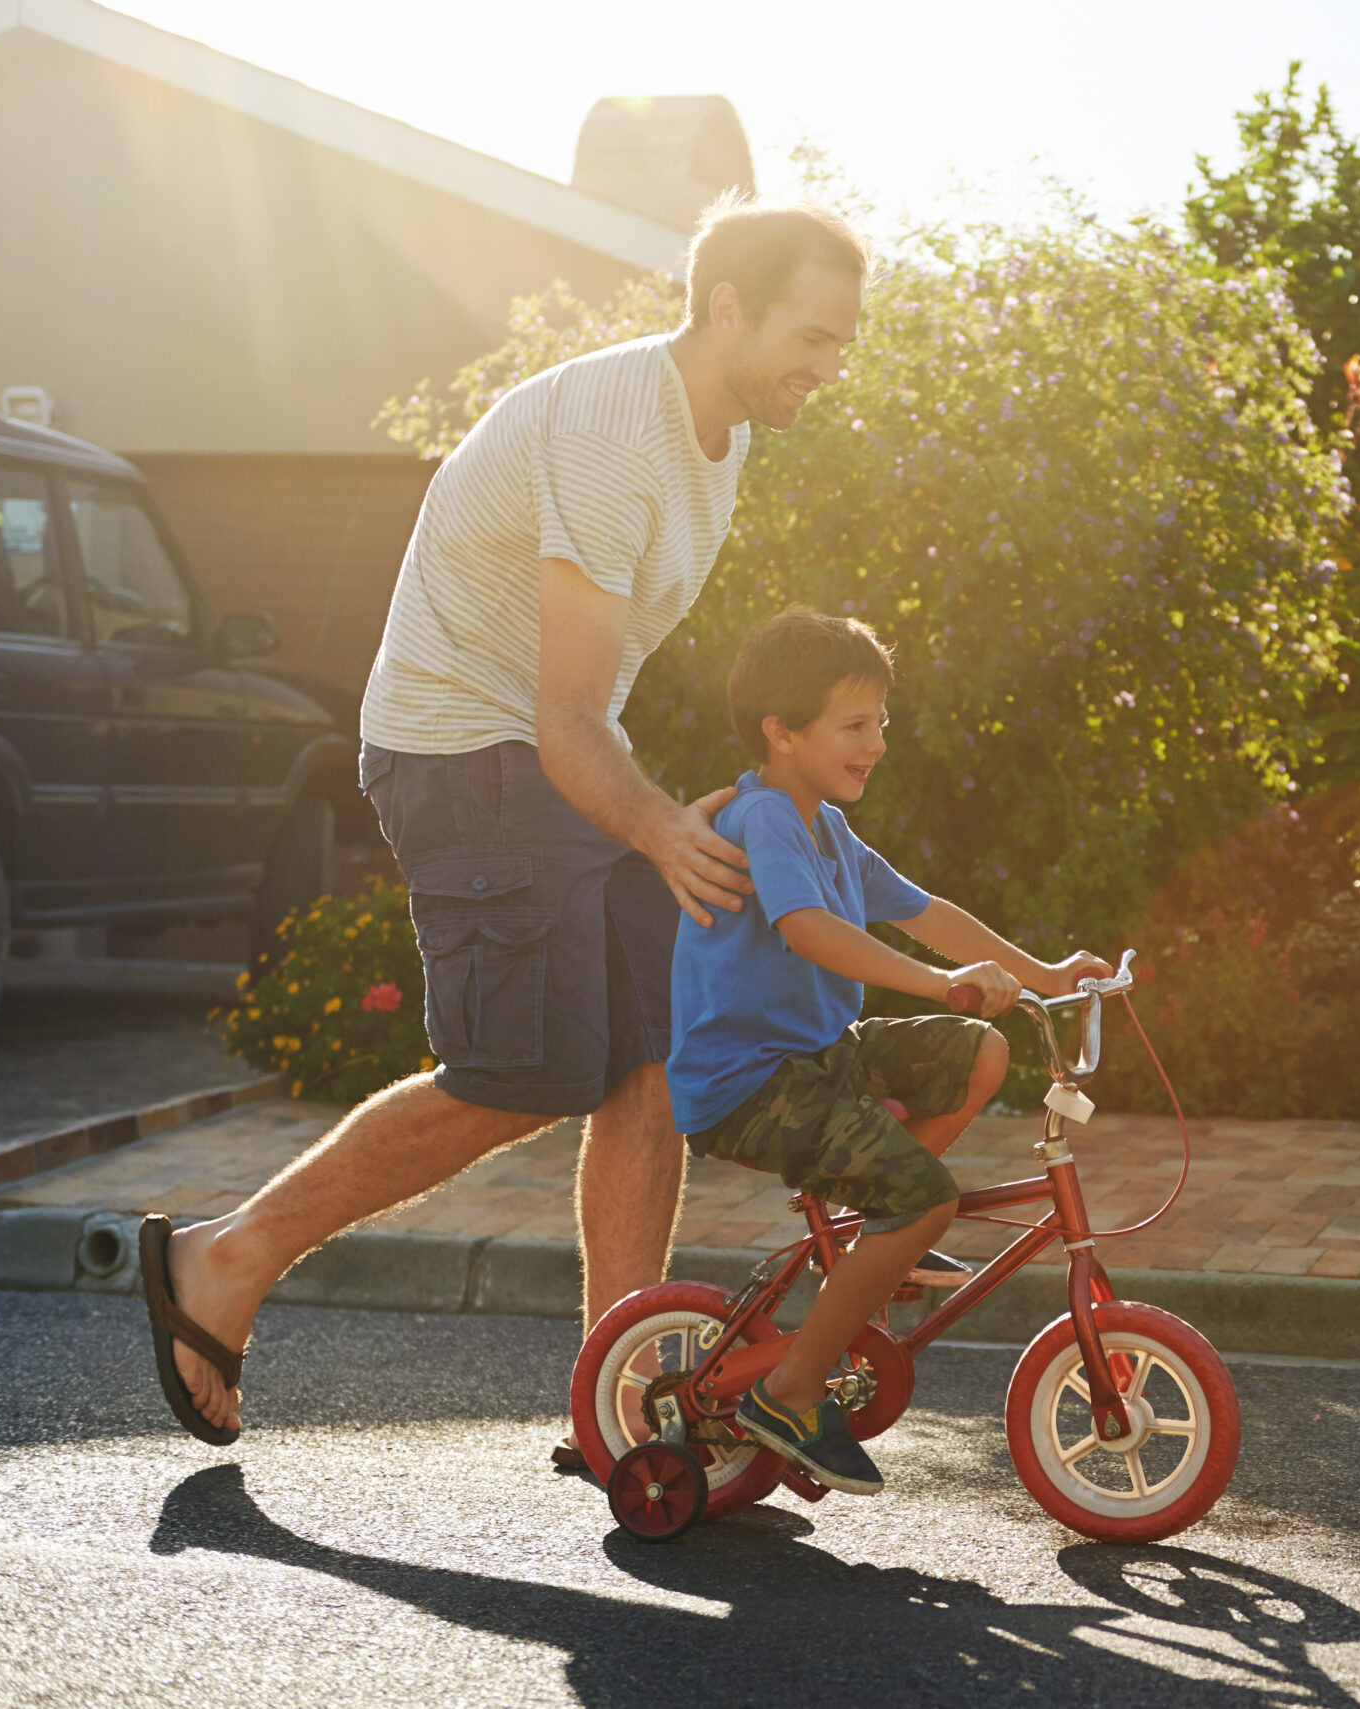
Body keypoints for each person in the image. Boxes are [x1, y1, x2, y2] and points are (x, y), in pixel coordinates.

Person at [138, 196, 868, 1450]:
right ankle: (223, 1257)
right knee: (524, 1069)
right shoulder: (610, 431)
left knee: (652, 1046)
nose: (829, 366)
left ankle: (618, 1392)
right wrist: (651, 824)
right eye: (813, 334)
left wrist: (658, 817)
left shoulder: (722, 436)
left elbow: (587, 709)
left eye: (844, 343)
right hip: (461, 750)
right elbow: (565, 715)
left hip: (551, 756)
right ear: (729, 305)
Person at [670, 607, 1107, 1494]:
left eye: (881, 724)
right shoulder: (766, 820)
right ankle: (789, 1394)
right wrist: (940, 983)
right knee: (924, 1201)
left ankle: (882, 1234)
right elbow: (809, 931)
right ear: (782, 732)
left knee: (979, 1052)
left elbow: (928, 912)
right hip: (750, 1083)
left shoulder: (826, 824)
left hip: (818, 1054)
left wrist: (1045, 975)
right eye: (854, 725)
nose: (876, 743)